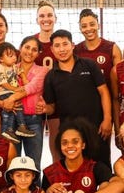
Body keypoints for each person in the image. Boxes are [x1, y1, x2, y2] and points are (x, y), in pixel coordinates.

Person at [42, 29, 113, 166]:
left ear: (72, 45)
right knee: (78, 173)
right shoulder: (51, 76)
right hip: (72, 135)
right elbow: (51, 108)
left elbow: (104, 91)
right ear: (52, 49)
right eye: (57, 46)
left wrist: (107, 119)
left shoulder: (89, 65)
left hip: (97, 129)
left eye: (65, 44)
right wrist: (44, 108)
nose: (61, 49)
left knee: (103, 169)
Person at [0, 36, 48, 168]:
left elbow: (31, 88)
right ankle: (11, 189)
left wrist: (11, 99)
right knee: (11, 164)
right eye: (27, 47)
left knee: (33, 165)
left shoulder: (42, 70)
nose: (30, 52)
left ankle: (36, 189)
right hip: (11, 121)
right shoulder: (8, 67)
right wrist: (3, 104)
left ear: (38, 53)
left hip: (33, 122)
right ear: (20, 48)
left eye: (34, 49)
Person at [0, 42, 36, 141]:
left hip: (11, 92)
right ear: (1, 59)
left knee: (13, 109)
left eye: (15, 55)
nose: (14, 58)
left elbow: (20, 72)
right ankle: (20, 126)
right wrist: (15, 89)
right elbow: (3, 83)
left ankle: (10, 129)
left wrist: (24, 79)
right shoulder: (0, 69)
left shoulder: (14, 66)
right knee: (15, 107)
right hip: (3, 93)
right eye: (10, 56)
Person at [74, 8, 122, 92]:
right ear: (80, 29)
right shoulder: (76, 51)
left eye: (92, 24)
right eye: (84, 26)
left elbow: (119, 80)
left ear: (98, 26)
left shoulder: (112, 48)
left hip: (108, 99)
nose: (88, 29)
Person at [33, 0, 57, 69]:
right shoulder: (30, 43)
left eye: (49, 15)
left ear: (55, 19)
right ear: (37, 20)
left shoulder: (62, 43)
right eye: (42, 16)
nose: (46, 19)